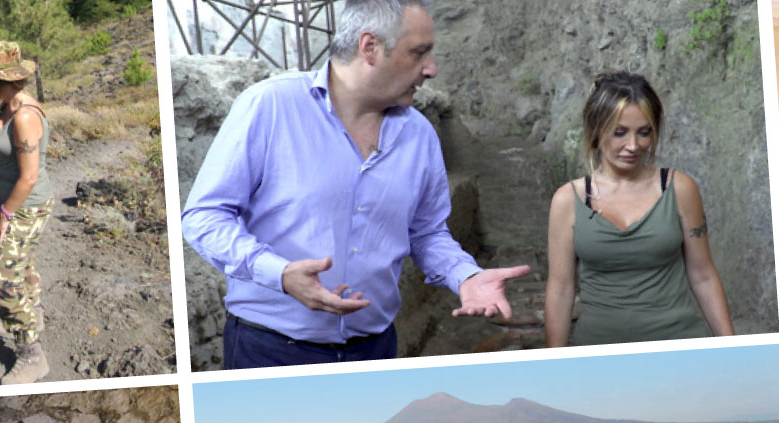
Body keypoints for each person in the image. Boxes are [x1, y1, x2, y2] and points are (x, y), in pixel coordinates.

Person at [181, 0, 531, 368]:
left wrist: (466, 277)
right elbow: (204, 216)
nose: (431, 69)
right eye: (419, 53)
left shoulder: (420, 136)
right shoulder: (269, 106)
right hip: (269, 351)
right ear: (370, 47)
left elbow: (426, 233)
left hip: (374, 349)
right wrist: (280, 274)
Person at [543, 73, 735, 346]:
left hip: (679, 339)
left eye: (644, 132)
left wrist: (730, 346)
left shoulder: (680, 189)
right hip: (598, 346)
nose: (633, 146)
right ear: (596, 131)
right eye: (619, 132)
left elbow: (703, 276)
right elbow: (561, 290)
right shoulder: (567, 200)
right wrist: (555, 362)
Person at [0, 41, 54, 385]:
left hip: (25, 206)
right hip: (9, 203)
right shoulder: (4, 107)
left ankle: (31, 354)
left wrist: (5, 214)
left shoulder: (25, 116)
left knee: (3, 282)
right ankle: (34, 310)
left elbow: (30, 176)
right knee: (22, 261)